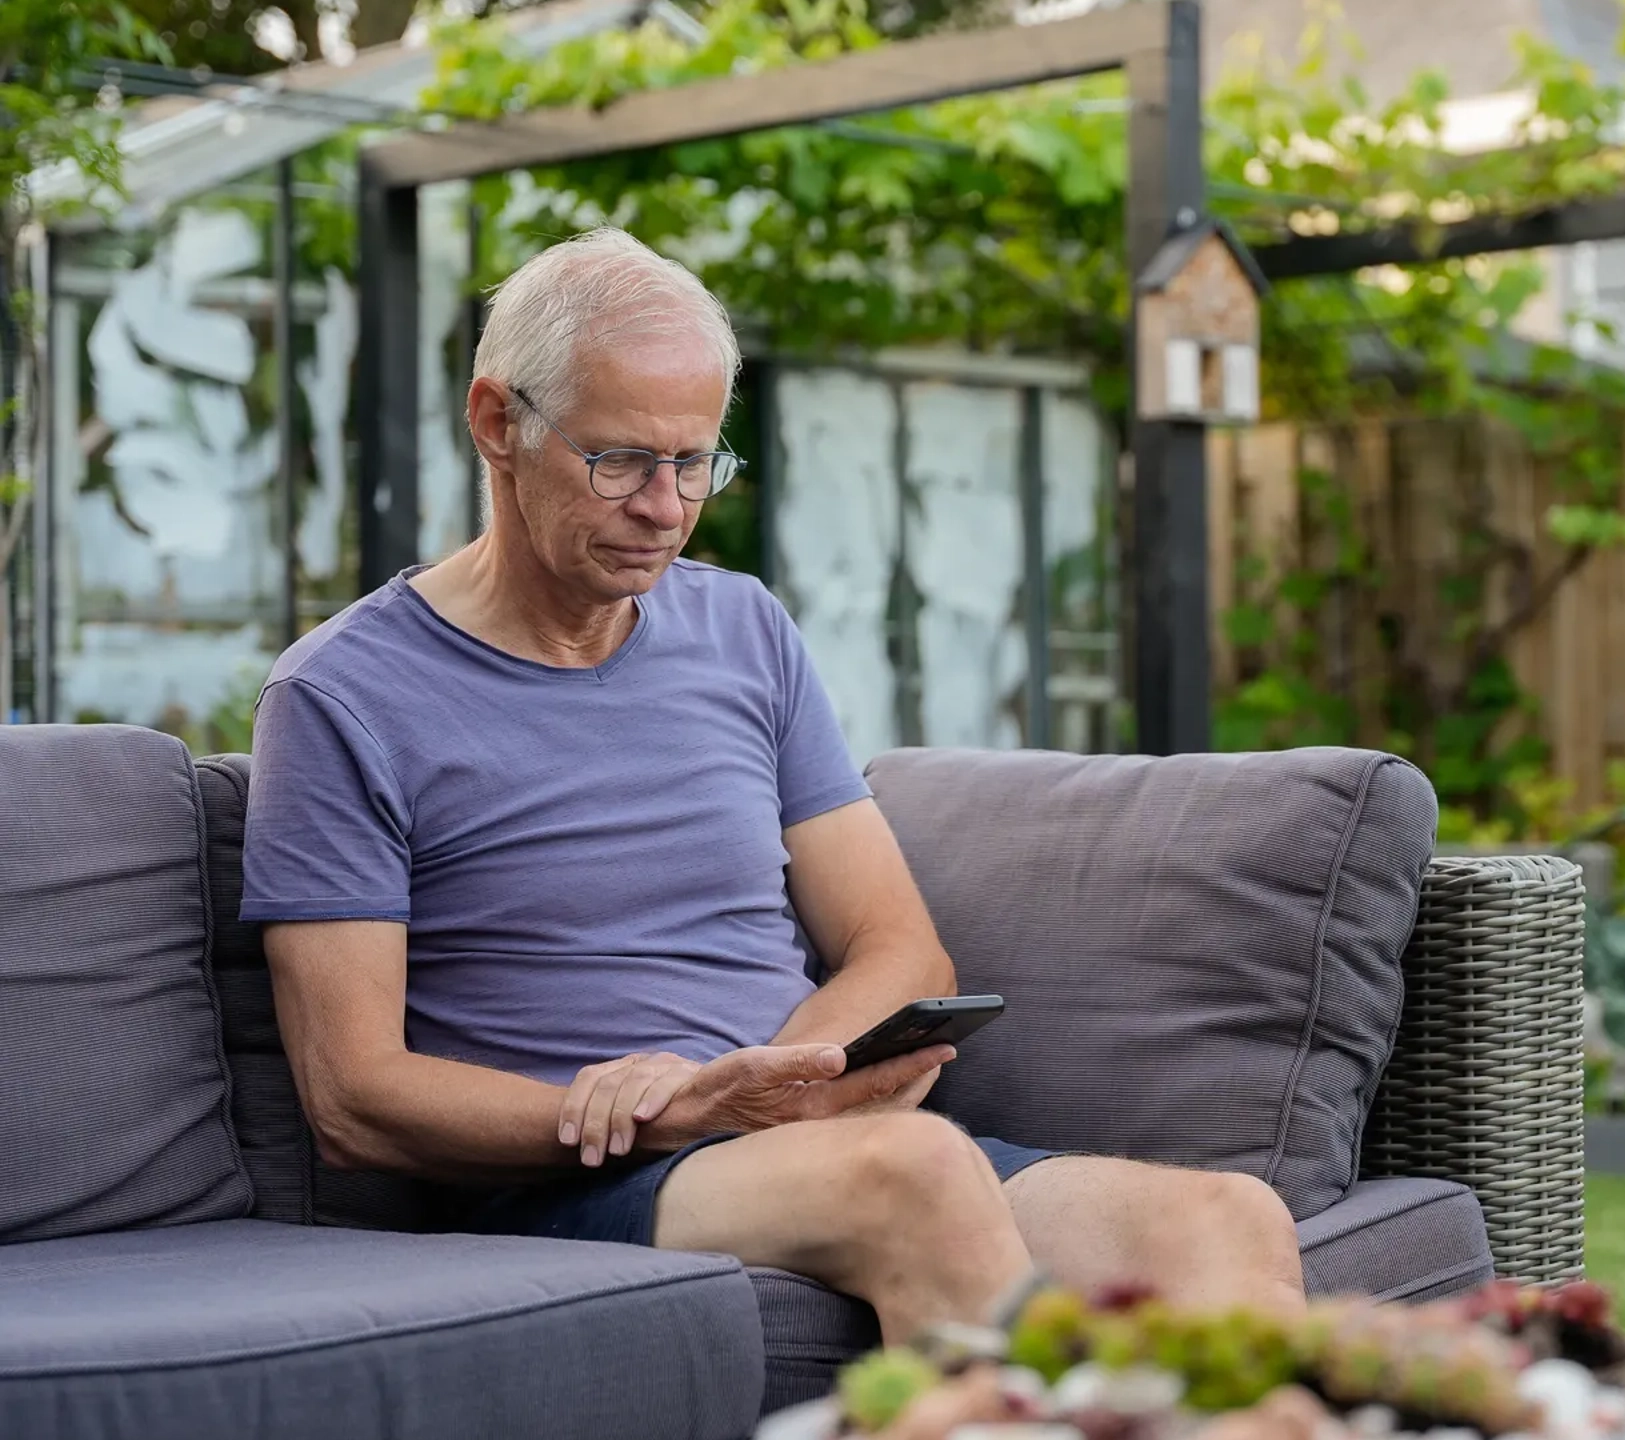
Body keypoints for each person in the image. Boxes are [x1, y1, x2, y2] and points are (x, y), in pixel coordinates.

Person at [240, 226, 1304, 1342]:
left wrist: (784, 1086)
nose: (664, 508)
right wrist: (661, 1116)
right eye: (619, 461)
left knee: (1226, 1219)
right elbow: (351, 1096)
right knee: (912, 1169)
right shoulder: (340, 696)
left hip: (807, 1142)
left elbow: (900, 949)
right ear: (497, 423)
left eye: (693, 461)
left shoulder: (742, 629)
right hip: (564, 1188)